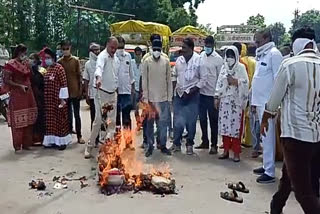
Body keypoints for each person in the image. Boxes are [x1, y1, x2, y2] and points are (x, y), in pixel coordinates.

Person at [261, 27, 320, 214]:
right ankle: (276, 206)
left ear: (296, 43)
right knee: (289, 177)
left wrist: (265, 118)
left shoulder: (290, 65)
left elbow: (273, 100)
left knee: (304, 192)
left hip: (294, 136)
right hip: (316, 136)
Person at [251, 29, 283, 183]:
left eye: (257, 40)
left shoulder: (274, 54)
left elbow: (278, 80)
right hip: (259, 102)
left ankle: (270, 172)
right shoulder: (262, 54)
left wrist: (273, 106)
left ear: (266, 38)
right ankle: (266, 165)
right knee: (263, 137)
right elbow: (258, 80)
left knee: (268, 137)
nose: (255, 42)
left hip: (268, 105)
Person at [170, 38, 207, 155]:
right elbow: (174, 76)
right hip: (179, 95)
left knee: (191, 121)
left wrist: (192, 90)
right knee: (177, 120)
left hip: (193, 95)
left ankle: (189, 144)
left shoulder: (199, 60)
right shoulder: (179, 60)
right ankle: (176, 144)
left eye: (185, 48)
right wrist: (174, 90)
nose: (183, 50)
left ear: (191, 49)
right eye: (182, 47)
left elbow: (203, 79)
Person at [84, 37, 119, 159]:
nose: (114, 50)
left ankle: (109, 148)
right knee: (98, 120)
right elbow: (99, 68)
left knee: (112, 123)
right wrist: (98, 78)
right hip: (101, 93)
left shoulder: (117, 59)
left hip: (112, 93)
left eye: (115, 48)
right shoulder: (102, 57)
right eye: (112, 48)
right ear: (107, 45)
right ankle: (89, 146)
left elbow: (116, 76)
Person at [215, 46, 249, 162]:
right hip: (225, 101)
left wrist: (236, 82)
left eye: (232, 56)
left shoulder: (241, 67)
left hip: (236, 101)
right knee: (225, 126)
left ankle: (236, 152)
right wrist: (216, 97)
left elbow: (245, 83)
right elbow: (219, 82)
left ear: (236, 56)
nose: (229, 58)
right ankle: (225, 150)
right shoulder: (223, 67)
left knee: (235, 128)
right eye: (228, 56)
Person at [3, 44, 38, 152]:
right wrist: (19, 86)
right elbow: (6, 80)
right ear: (18, 52)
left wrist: (30, 65)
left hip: (28, 93)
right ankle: (17, 145)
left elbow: (31, 75)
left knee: (29, 117)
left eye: (25, 52)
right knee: (18, 120)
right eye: (22, 52)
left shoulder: (26, 63)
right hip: (17, 93)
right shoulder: (10, 64)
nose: (24, 55)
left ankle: (27, 143)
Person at [142, 39, 172, 157]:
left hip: (163, 98)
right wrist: (145, 98)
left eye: (158, 50)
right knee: (149, 124)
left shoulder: (166, 61)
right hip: (150, 100)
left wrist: (169, 98)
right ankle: (150, 146)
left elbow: (169, 81)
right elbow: (144, 80)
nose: (156, 52)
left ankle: (163, 145)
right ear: (151, 49)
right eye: (154, 49)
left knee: (162, 124)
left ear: (161, 50)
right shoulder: (146, 61)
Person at [195, 36, 223, 155]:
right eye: (206, 45)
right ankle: (204, 141)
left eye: (209, 46)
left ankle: (214, 145)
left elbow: (220, 78)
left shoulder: (218, 59)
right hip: (202, 93)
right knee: (202, 119)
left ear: (213, 45)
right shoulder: (201, 56)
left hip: (213, 95)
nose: (207, 48)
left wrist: (218, 95)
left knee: (213, 121)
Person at [42, 48, 71, 150]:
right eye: (45, 58)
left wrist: (63, 100)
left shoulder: (59, 68)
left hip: (58, 100)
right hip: (49, 101)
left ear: (53, 58)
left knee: (60, 121)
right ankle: (51, 141)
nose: (46, 60)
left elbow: (64, 85)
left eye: (48, 58)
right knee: (50, 121)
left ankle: (62, 142)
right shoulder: (48, 69)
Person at [58, 40, 85, 144]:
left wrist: (80, 90)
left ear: (70, 48)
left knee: (77, 114)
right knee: (67, 114)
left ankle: (79, 135)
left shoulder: (75, 60)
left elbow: (79, 76)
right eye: (63, 49)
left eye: (67, 49)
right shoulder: (60, 62)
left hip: (75, 91)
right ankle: (68, 133)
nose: (65, 51)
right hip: (64, 92)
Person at [115, 36, 134, 146]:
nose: (120, 49)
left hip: (126, 92)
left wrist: (132, 89)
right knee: (116, 118)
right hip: (116, 92)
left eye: (122, 46)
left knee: (126, 118)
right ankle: (117, 142)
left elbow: (131, 75)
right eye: (119, 46)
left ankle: (128, 142)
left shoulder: (128, 56)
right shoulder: (113, 58)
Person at [84, 43, 101, 130]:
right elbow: (86, 80)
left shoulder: (103, 61)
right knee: (93, 117)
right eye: (95, 50)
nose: (97, 52)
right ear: (91, 51)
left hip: (103, 94)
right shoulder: (87, 64)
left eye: (98, 49)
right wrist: (87, 94)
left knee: (103, 117)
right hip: (92, 94)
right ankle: (94, 137)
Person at [29, 53, 45, 144]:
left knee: (40, 117)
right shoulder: (28, 69)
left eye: (32, 58)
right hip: (32, 95)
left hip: (40, 95)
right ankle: (33, 138)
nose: (30, 60)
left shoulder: (42, 70)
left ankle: (40, 137)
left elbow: (42, 82)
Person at [131, 47, 143, 129]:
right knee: (136, 108)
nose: (138, 56)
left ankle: (142, 122)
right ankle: (138, 123)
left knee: (145, 108)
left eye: (139, 54)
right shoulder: (131, 63)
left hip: (143, 89)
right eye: (136, 54)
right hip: (134, 88)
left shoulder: (144, 63)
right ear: (134, 54)